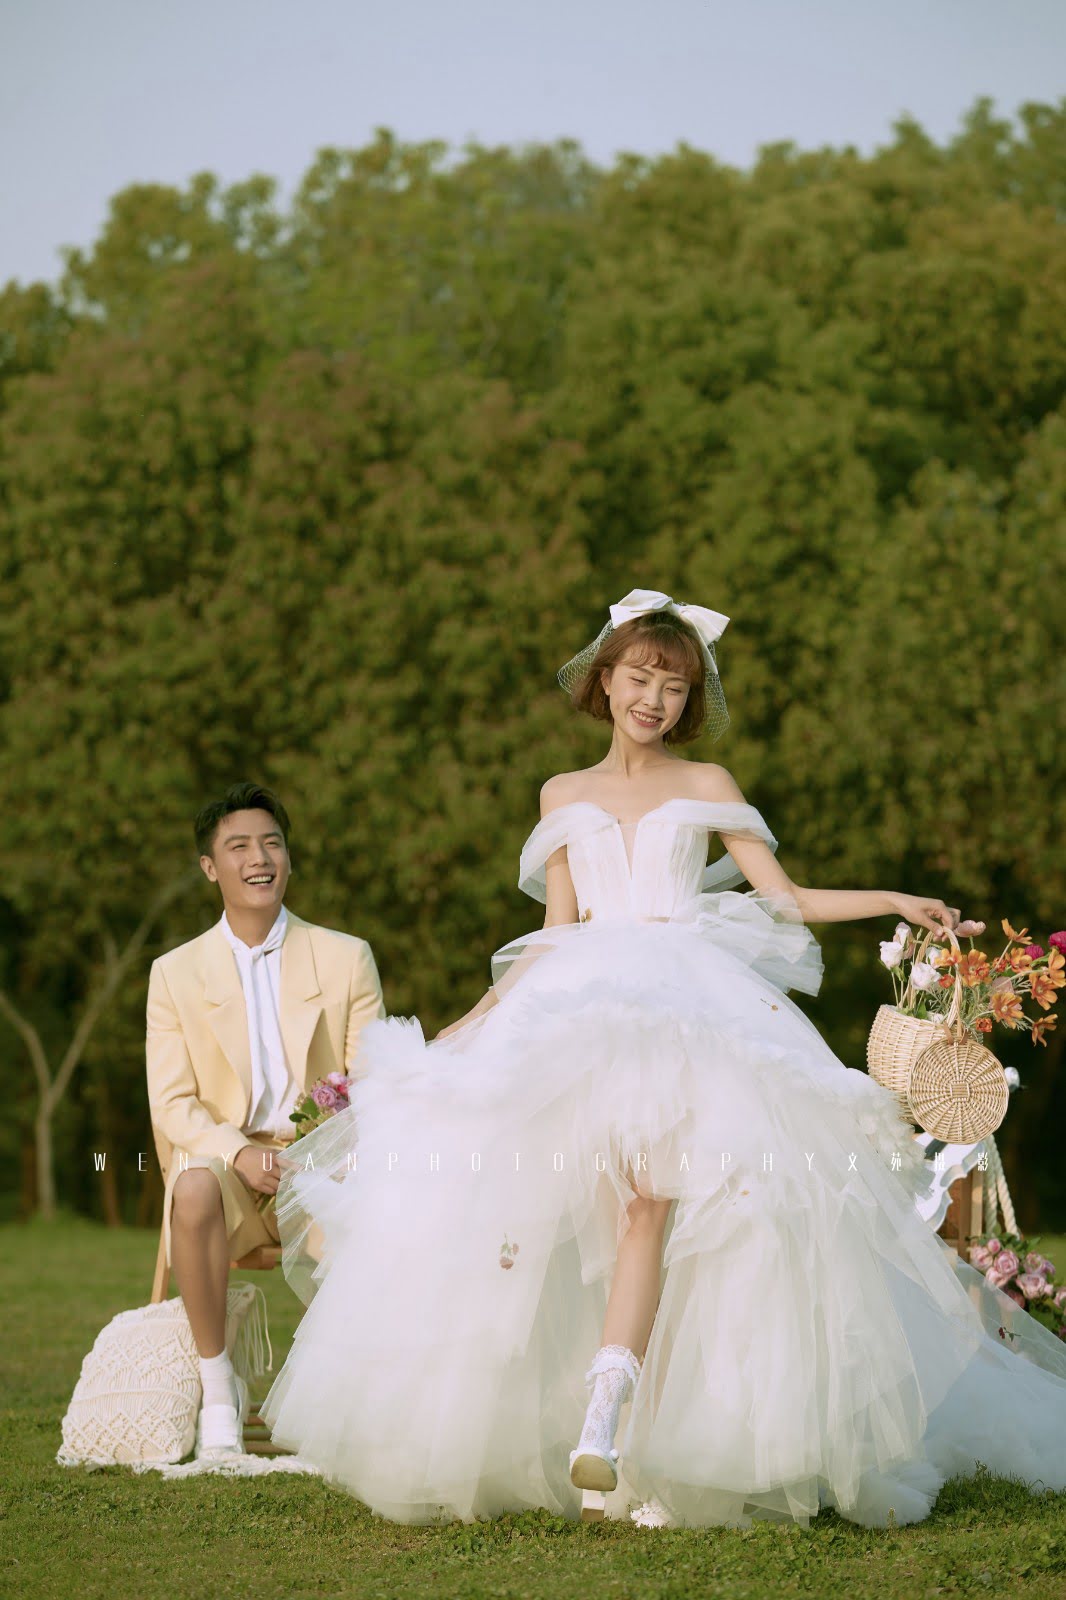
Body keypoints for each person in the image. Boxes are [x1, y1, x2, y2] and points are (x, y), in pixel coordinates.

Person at [260, 592, 1066, 1528]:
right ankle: (590, 1425)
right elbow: (555, 934)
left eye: (674, 687)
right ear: (604, 681)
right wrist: (472, 1023)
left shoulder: (709, 781)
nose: (654, 699)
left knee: (657, 1203)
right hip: (581, 1013)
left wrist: (894, 899)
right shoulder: (561, 795)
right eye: (640, 678)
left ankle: (604, 1424)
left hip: (694, 1009)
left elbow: (787, 899)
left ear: (690, 700)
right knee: (569, 1217)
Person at [146, 781, 385, 1454]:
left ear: (289, 858)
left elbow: (372, 1082)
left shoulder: (346, 956)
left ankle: (345, 1402)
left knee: (377, 1204)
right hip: (227, 1166)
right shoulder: (174, 972)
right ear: (209, 866)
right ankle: (218, 1394)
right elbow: (172, 1102)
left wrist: (319, 1153)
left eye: (272, 843)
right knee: (193, 1187)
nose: (259, 858)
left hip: (323, 1160)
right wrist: (239, 1153)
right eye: (239, 847)